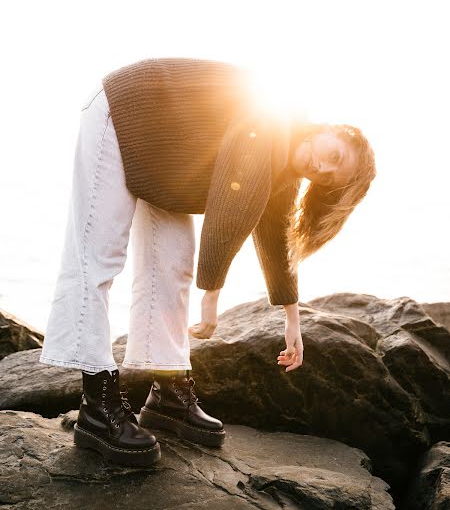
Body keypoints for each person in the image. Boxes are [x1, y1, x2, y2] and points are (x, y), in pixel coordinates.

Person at [38, 57, 376, 467]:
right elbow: (234, 200)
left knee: (173, 263)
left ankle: (168, 394)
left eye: (327, 177)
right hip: (125, 110)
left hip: (165, 156)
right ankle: (97, 406)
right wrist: (211, 295)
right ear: (333, 130)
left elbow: (275, 236)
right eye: (334, 157)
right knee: (97, 257)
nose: (321, 167)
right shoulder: (273, 119)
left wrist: (293, 319)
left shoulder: (285, 167)